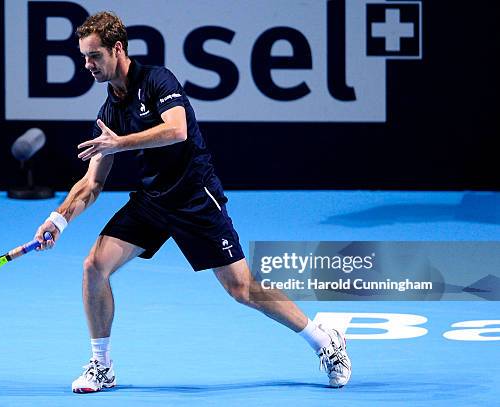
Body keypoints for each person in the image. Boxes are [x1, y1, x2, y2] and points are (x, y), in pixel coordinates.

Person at [34, 11, 351, 393]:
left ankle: (324, 340)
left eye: (94, 56)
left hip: (193, 197)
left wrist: (120, 143)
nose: (87, 65)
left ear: (117, 49)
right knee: (93, 267)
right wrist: (59, 219)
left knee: (242, 289)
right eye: (84, 57)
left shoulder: (157, 80)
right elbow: (92, 183)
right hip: (152, 201)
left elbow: (177, 130)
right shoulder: (110, 112)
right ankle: (102, 366)